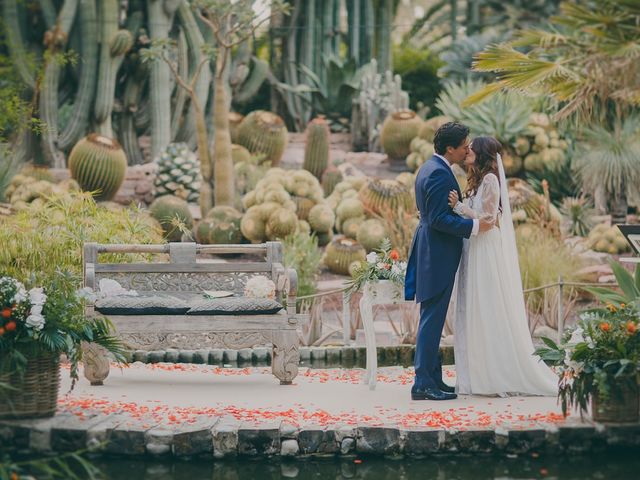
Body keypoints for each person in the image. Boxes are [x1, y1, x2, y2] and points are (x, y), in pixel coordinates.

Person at [448, 136, 557, 396]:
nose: (468, 150)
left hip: (485, 249)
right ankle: (478, 373)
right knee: (474, 306)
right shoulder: (476, 179)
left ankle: (494, 374)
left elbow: (489, 219)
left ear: (483, 153)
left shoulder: (490, 180)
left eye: (472, 147)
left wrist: (460, 208)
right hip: (474, 247)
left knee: (487, 305)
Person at [404, 122, 494, 401]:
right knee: (432, 318)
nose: (468, 148)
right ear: (450, 149)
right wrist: (473, 227)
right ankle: (422, 384)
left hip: (434, 251)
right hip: (437, 253)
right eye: (464, 144)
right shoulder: (439, 175)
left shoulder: (432, 168)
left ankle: (433, 378)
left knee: (434, 316)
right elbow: (438, 219)